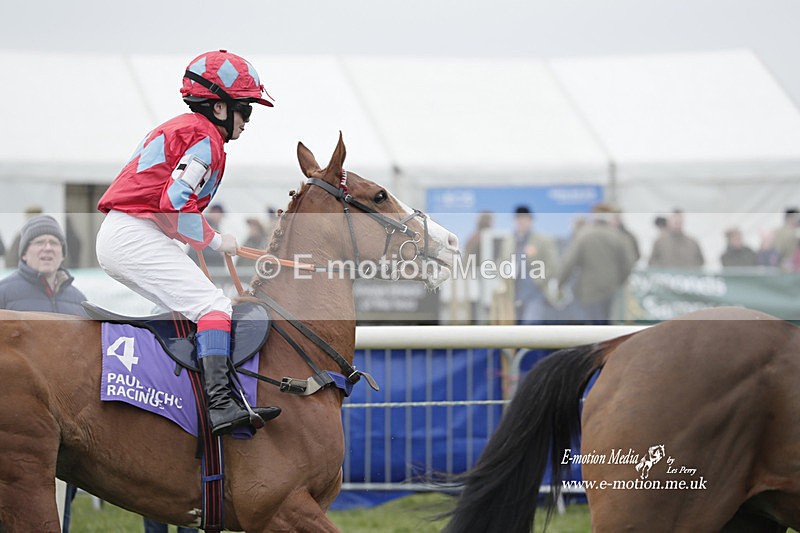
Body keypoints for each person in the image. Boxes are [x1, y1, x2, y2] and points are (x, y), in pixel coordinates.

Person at [95, 50, 281, 438]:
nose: (248, 120)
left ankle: (176, 400)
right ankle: (220, 405)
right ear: (219, 107)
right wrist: (215, 239)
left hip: (131, 232)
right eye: (245, 109)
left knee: (182, 311)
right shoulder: (205, 138)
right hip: (135, 234)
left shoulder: (185, 128)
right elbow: (176, 200)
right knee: (214, 306)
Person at [0, 215, 87, 532]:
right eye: (39, 242)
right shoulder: (4, 294)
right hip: (18, 424)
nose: (47, 248)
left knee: (60, 506)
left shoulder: (78, 300)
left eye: (54, 243)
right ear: (24, 253)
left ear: (63, 253)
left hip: (68, 422)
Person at [557, 203, 637, 324]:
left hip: (588, 291)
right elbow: (629, 263)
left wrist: (560, 284)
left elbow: (569, 262)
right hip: (611, 290)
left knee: (592, 329)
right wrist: (618, 281)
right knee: (610, 327)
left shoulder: (583, 235)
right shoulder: (619, 237)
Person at [492, 206, 559, 325]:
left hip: (536, 294)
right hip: (514, 293)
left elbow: (553, 265)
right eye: (518, 219)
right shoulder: (509, 241)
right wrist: (504, 278)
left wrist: (540, 280)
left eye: (523, 219)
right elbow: (500, 263)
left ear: (530, 220)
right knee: (516, 328)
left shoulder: (542, 240)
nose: (520, 222)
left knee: (530, 326)